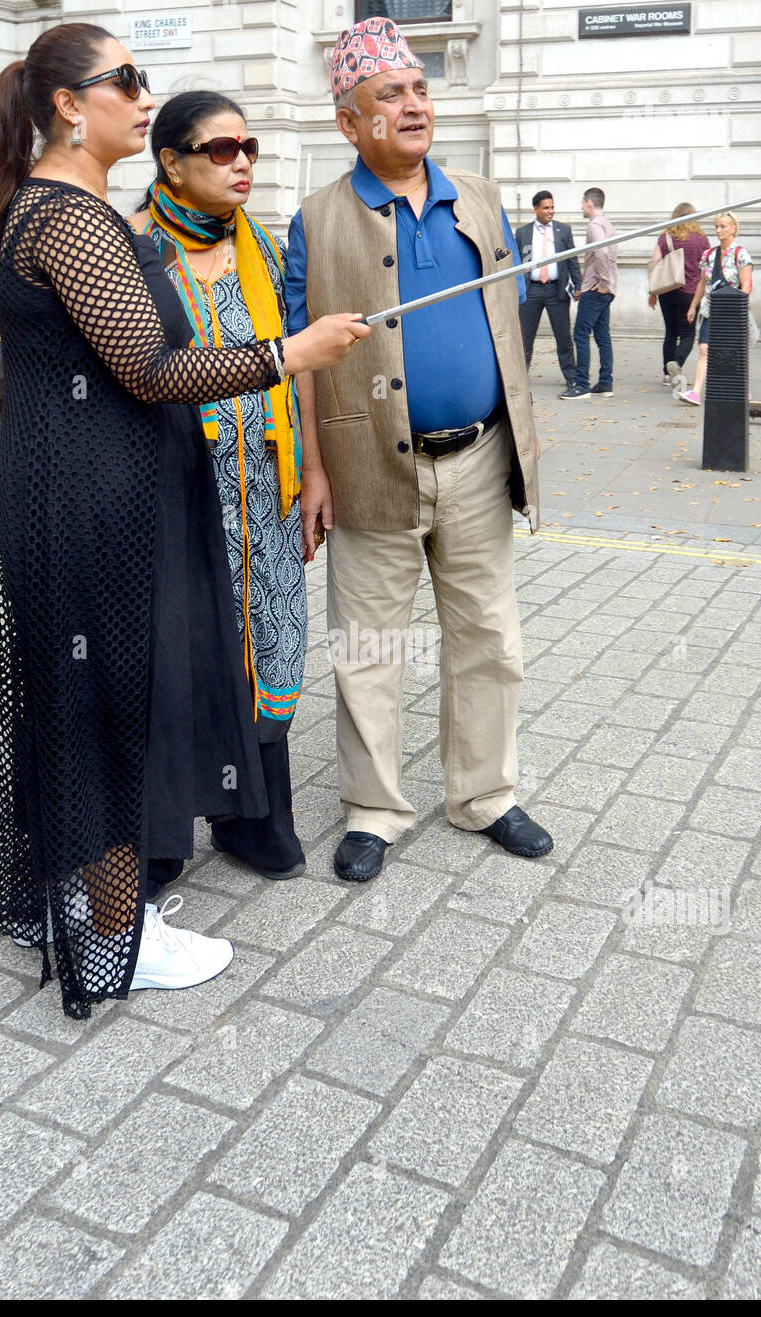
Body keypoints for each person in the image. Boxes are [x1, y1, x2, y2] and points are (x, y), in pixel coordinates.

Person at [0, 22, 367, 1016]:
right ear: (69, 103)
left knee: (92, 703)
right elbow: (150, 371)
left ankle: (102, 906)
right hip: (82, 502)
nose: (144, 99)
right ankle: (120, 938)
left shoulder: (73, 205)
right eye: (127, 81)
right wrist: (292, 353)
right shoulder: (69, 217)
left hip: (83, 491)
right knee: (102, 711)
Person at [284, 16, 551, 884]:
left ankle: (484, 796)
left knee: (490, 637)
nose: (412, 106)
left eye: (420, 90)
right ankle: (373, 807)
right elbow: (300, 360)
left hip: (477, 458)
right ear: (349, 122)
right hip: (368, 467)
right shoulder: (315, 220)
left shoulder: (477, 195)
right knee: (366, 645)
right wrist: (314, 471)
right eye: (389, 95)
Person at [131, 91, 308, 881]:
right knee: (176, 656)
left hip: (263, 492)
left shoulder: (260, 248)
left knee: (264, 647)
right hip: (172, 500)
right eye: (221, 149)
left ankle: (251, 817)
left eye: (250, 148)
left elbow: (297, 372)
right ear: (170, 161)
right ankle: (162, 831)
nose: (241, 163)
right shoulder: (132, 250)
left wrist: (319, 475)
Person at [678, 212, 752, 407]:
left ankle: (741, 388)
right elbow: (702, 284)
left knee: (733, 350)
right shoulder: (709, 255)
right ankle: (696, 392)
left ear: (733, 228)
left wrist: (739, 309)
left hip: (732, 309)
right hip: (711, 309)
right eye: (717, 226)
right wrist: (693, 305)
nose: (719, 230)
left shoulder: (741, 254)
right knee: (704, 349)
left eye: (723, 226)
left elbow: (747, 285)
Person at [515, 190, 580, 384]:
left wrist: (579, 284)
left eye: (552, 207)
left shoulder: (563, 230)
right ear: (535, 209)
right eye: (546, 208)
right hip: (531, 291)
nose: (550, 211)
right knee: (524, 338)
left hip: (556, 291)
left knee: (563, 338)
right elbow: (515, 261)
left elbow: (572, 259)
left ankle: (572, 378)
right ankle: (518, 379)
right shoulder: (523, 232)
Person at [560, 187, 616, 400]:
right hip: (605, 289)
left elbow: (601, 252)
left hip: (596, 289)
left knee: (581, 334)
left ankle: (581, 384)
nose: (581, 207)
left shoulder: (594, 225)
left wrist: (603, 282)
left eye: (583, 203)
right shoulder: (607, 223)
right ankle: (605, 383)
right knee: (602, 335)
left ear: (590, 203)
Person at [647, 203, 710, 390]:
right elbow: (707, 266)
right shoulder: (702, 240)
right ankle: (677, 362)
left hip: (667, 291)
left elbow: (654, 263)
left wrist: (652, 293)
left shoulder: (665, 237)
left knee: (670, 332)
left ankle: (667, 374)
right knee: (688, 334)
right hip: (690, 293)